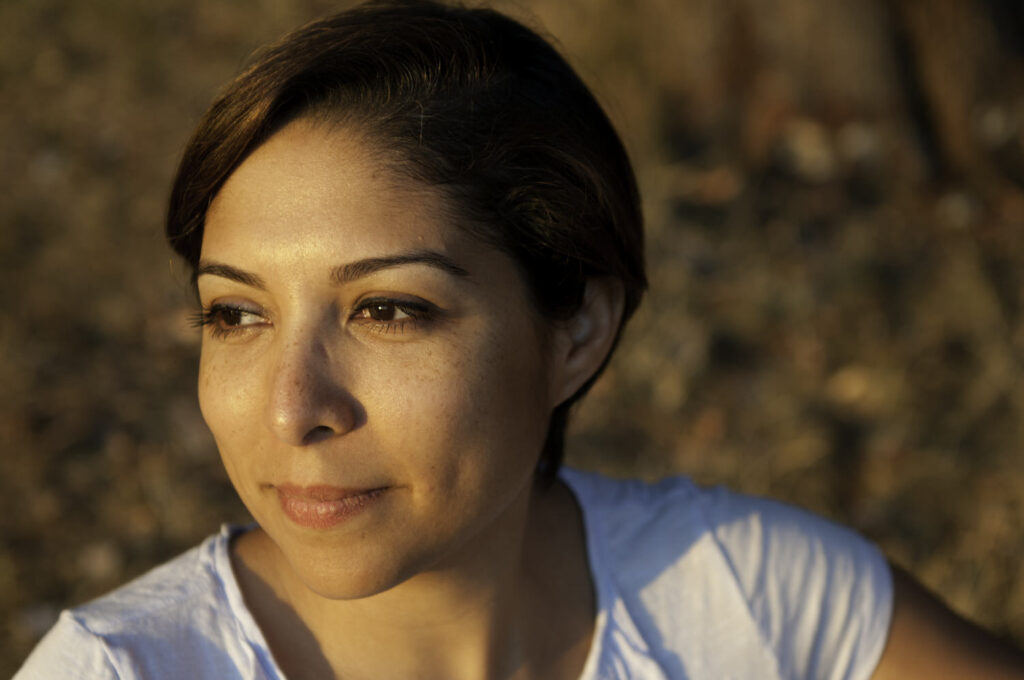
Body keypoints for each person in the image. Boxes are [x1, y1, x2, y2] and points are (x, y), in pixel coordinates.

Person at [16, 1, 1024, 678]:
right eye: (237, 314)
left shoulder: (746, 600)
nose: (291, 405)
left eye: (387, 309)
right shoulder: (122, 668)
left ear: (578, 327)